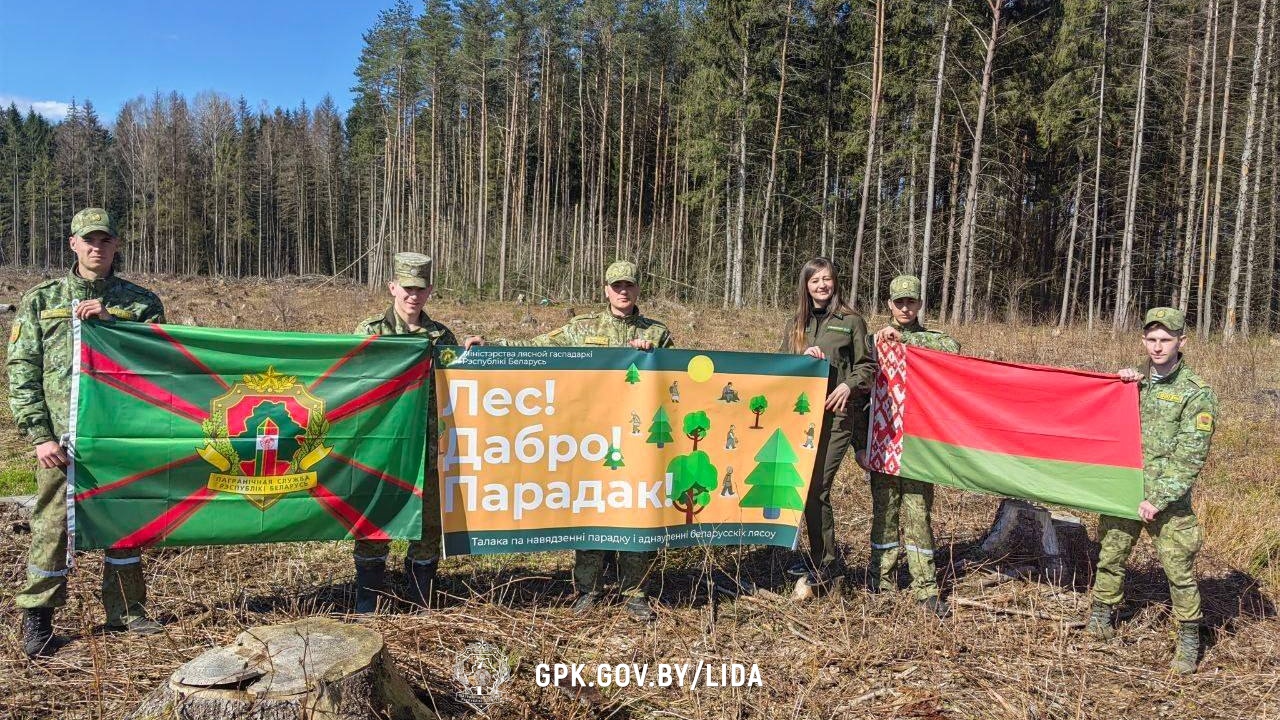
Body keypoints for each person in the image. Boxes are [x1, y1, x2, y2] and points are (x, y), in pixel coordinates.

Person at [8, 208, 167, 657]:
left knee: (125, 521)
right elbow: (22, 370)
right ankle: (37, 620)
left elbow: (162, 361)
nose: (97, 247)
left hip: (122, 432)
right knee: (53, 525)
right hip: (62, 438)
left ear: (117, 245)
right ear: (73, 244)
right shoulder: (42, 298)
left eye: (105, 239)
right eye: (88, 240)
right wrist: (38, 434)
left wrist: (114, 322)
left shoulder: (141, 302)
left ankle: (127, 612)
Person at [478, 260, 672, 621]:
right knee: (592, 508)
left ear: (638, 289)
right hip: (591, 438)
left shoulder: (656, 332)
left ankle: (635, 592)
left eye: (629, 285)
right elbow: (536, 347)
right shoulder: (583, 327)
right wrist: (490, 346)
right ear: (605, 289)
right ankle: (588, 589)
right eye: (616, 286)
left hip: (638, 440)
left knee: (634, 509)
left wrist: (654, 355)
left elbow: (675, 378)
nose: (623, 292)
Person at [1086, 307, 1217, 675]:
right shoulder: (1134, 383)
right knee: (1110, 556)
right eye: (1152, 339)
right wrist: (1118, 386)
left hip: (1167, 501)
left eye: (1165, 340)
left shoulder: (1196, 393)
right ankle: (1100, 620)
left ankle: (1189, 639)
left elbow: (1191, 455)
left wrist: (1158, 499)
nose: (1157, 347)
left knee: (1179, 570)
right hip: (1124, 489)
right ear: (1144, 341)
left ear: (1181, 342)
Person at [350, 252, 481, 613]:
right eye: (407, 288)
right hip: (383, 446)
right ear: (392, 287)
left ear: (429, 292)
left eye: (420, 290)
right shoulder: (371, 332)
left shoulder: (441, 335)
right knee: (374, 519)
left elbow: (458, 380)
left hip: (429, 445)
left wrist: (471, 355)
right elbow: (348, 378)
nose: (413, 296)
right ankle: (369, 600)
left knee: (428, 525)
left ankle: (421, 597)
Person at [866, 275, 959, 617]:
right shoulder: (874, 340)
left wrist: (905, 338)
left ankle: (926, 588)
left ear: (920, 304)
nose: (905, 308)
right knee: (884, 515)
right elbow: (859, 381)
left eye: (911, 302)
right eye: (899, 302)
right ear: (889, 304)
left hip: (920, 444)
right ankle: (882, 583)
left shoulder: (931, 340)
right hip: (883, 440)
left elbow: (954, 350)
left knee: (919, 516)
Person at [779, 257, 874, 590]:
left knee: (817, 488)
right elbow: (780, 368)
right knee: (801, 488)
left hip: (837, 418)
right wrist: (800, 360)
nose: (821, 285)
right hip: (801, 418)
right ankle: (812, 557)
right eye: (814, 280)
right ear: (805, 286)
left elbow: (868, 367)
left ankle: (828, 567)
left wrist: (848, 385)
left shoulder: (851, 321)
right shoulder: (796, 324)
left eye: (827, 279)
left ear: (836, 283)